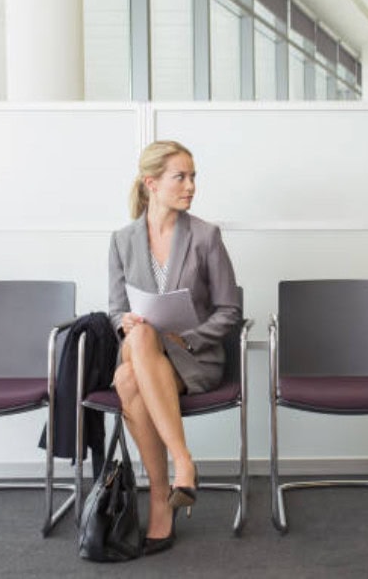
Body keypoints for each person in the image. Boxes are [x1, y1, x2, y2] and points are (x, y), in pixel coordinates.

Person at [108, 140, 241, 555]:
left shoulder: (205, 236)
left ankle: (161, 497)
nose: (191, 186)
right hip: (143, 348)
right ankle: (182, 463)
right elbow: (115, 311)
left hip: (192, 358)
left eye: (193, 176)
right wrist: (125, 321)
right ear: (151, 183)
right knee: (140, 334)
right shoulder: (122, 240)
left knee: (128, 380)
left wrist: (188, 337)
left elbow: (229, 310)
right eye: (180, 177)